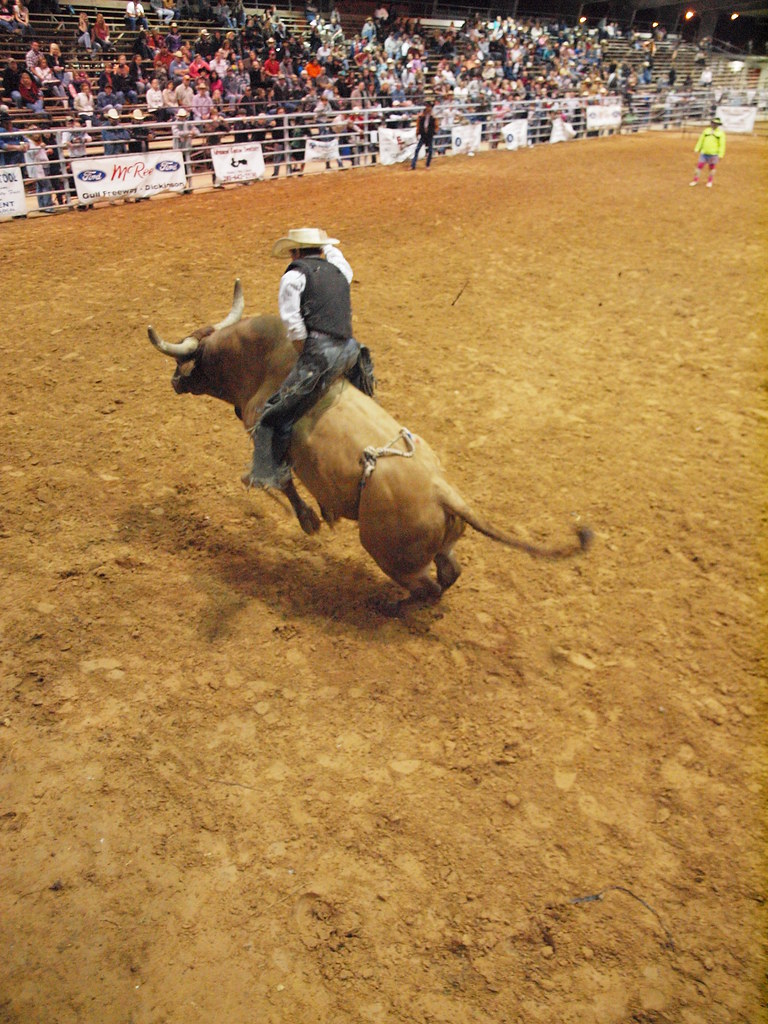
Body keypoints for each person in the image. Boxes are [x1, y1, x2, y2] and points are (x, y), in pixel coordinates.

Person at [248, 227, 375, 489]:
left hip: (322, 355)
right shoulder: (340, 270)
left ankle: (267, 473)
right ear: (320, 250)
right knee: (365, 397)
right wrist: (326, 246)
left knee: (272, 415)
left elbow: (294, 327)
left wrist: (307, 358)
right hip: (352, 351)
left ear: (294, 252)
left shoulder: (294, 277)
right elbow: (337, 256)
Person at [690, 115, 726, 188]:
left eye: (716, 124)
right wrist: (697, 148)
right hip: (704, 152)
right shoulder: (706, 131)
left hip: (713, 153)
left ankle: (710, 181)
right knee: (699, 166)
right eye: (713, 123)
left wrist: (721, 154)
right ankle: (695, 180)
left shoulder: (720, 133)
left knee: (712, 167)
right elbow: (701, 140)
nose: (714, 125)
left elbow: (722, 145)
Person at [410, 99, 437, 169]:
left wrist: (434, 132)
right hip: (423, 134)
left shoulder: (432, 117)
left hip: (429, 135)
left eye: (429, 107)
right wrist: (417, 132)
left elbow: (436, 126)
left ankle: (427, 165)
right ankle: (413, 165)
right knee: (417, 149)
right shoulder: (422, 116)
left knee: (430, 151)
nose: (428, 108)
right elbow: (418, 124)